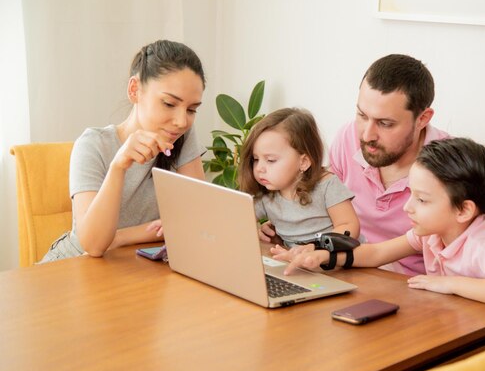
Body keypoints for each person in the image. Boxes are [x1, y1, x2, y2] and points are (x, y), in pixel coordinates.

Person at [274, 137, 485, 371]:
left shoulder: (481, 241)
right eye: (412, 194)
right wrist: (323, 257)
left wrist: (448, 283)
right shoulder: (432, 232)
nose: (409, 207)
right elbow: (376, 253)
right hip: (480, 346)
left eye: (422, 200)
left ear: (463, 210)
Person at [41, 40, 207, 262]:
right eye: (169, 104)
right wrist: (118, 166)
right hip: (74, 263)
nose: (181, 120)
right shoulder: (92, 145)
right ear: (135, 90)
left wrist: (120, 237)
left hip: (132, 261)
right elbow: (93, 245)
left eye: (192, 109)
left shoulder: (180, 135)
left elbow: (199, 216)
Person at [329, 54, 450, 275]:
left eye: (385, 123)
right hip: (348, 272)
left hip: (416, 290)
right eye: (362, 115)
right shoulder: (347, 138)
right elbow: (322, 208)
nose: (367, 135)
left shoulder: (453, 165)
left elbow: (465, 261)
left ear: (423, 119)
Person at [238, 107, 359, 248]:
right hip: (299, 265)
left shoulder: (327, 186)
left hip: (339, 263)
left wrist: (316, 247)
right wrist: (255, 230)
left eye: (270, 160)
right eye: (256, 159)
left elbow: (349, 226)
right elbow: (239, 220)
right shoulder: (266, 193)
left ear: (303, 162)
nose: (259, 168)